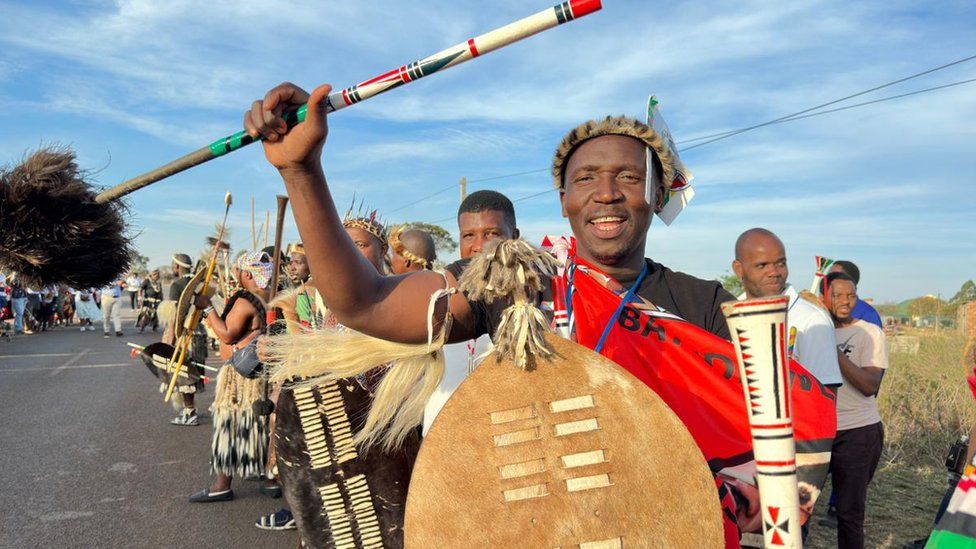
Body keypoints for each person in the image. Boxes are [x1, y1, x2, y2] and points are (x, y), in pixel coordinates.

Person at [243, 83, 779, 542]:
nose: (608, 194)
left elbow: (780, 437)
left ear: (657, 191)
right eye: (587, 178)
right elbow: (366, 303)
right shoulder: (516, 285)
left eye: (630, 178)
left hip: (664, 528)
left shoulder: (704, 305)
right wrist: (302, 171)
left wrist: (753, 491)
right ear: (564, 197)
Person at [421, 190, 517, 434]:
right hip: (444, 443)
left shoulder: (535, 304)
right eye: (468, 236)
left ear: (514, 238)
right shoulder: (440, 296)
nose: (479, 247)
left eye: (492, 234)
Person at [189, 251, 272, 503]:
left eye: (239, 271)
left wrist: (207, 310)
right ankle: (264, 474)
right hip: (252, 372)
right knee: (251, 423)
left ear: (245, 274)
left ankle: (222, 485)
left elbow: (226, 335)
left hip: (239, 375)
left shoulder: (246, 302)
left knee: (229, 424)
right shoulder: (263, 298)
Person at [732, 228, 842, 388]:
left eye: (781, 263)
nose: (774, 272)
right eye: (762, 265)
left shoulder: (812, 321)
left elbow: (825, 400)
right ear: (738, 269)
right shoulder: (726, 317)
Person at [824, 271, 888, 549]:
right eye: (837, 295)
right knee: (799, 504)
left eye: (851, 295)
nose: (845, 301)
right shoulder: (812, 330)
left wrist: (834, 352)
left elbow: (869, 385)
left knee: (849, 515)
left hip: (858, 433)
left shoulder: (869, 333)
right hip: (819, 430)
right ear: (825, 296)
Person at [162, 253, 208, 426]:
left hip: (185, 334)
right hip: (199, 333)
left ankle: (189, 412)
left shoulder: (177, 285)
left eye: (173, 265)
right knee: (192, 371)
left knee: (183, 374)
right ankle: (191, 408)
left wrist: (170, 341)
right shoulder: (200, 284)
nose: (172, 267)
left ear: (177, 267)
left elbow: (176, 316)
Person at [829, 261, 883, 329]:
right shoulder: (824, 308)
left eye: (834, 276)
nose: (827, 279)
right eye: (828, 275)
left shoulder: (868, 314)